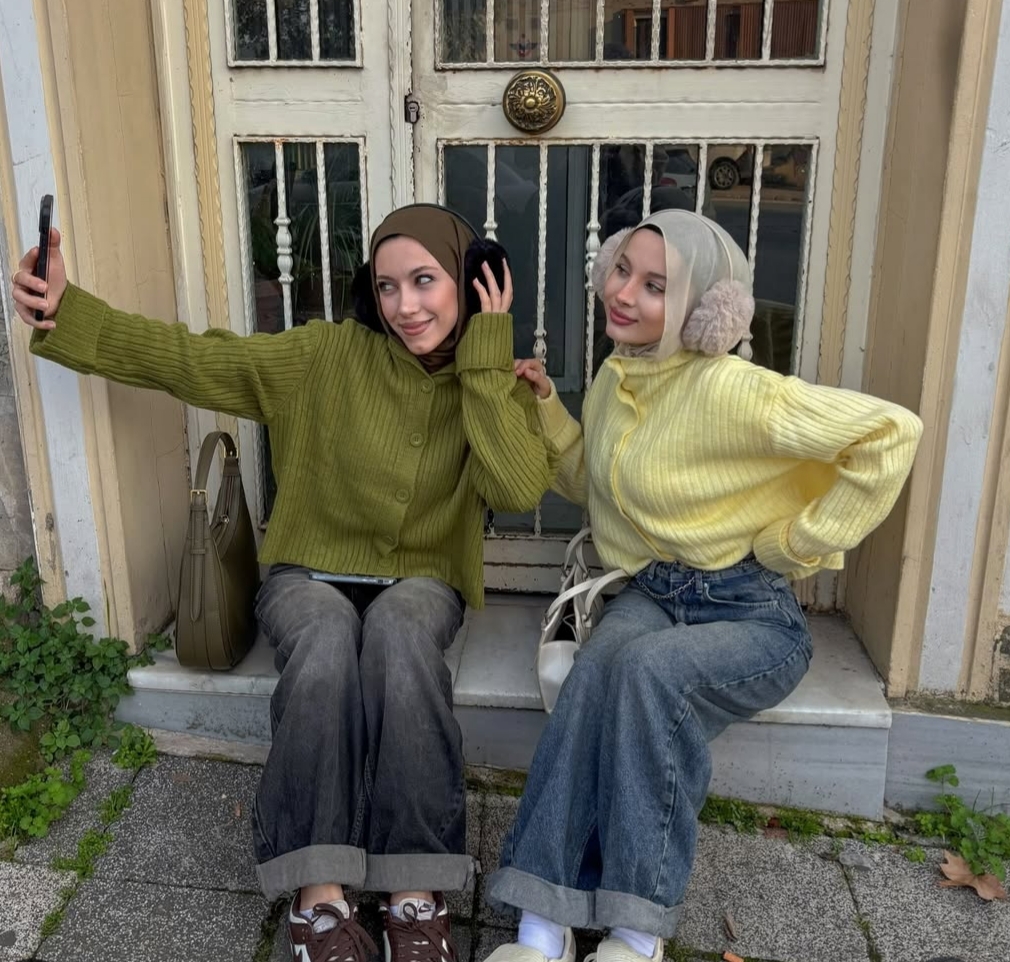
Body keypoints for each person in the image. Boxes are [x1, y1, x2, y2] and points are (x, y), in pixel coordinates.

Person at [11, 203, 552, 962]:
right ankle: (318, 898)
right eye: (387, 286)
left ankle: (414, 888)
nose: (405, 306)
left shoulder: (491, 379)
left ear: (471, 282)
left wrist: (488, 364)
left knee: (400, 635)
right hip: (309, 572)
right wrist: (68, 309)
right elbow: (191, 360)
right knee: (326, 642)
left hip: (422, 578)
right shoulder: (323, 355)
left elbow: (518, 487)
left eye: (425, 281)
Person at [489, 208, 922, 962]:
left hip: (751, 612)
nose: (624, 293)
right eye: (623, 270)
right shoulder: (616, 378)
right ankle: (540, 926)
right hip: (654, 593)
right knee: (596, 674)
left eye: (656, 286)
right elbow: (596, 484)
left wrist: (798, 543)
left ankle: (636, 931)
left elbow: (891, 433)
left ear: (703, 308)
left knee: (648, 674)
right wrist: (549, 409)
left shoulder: (733, 389)